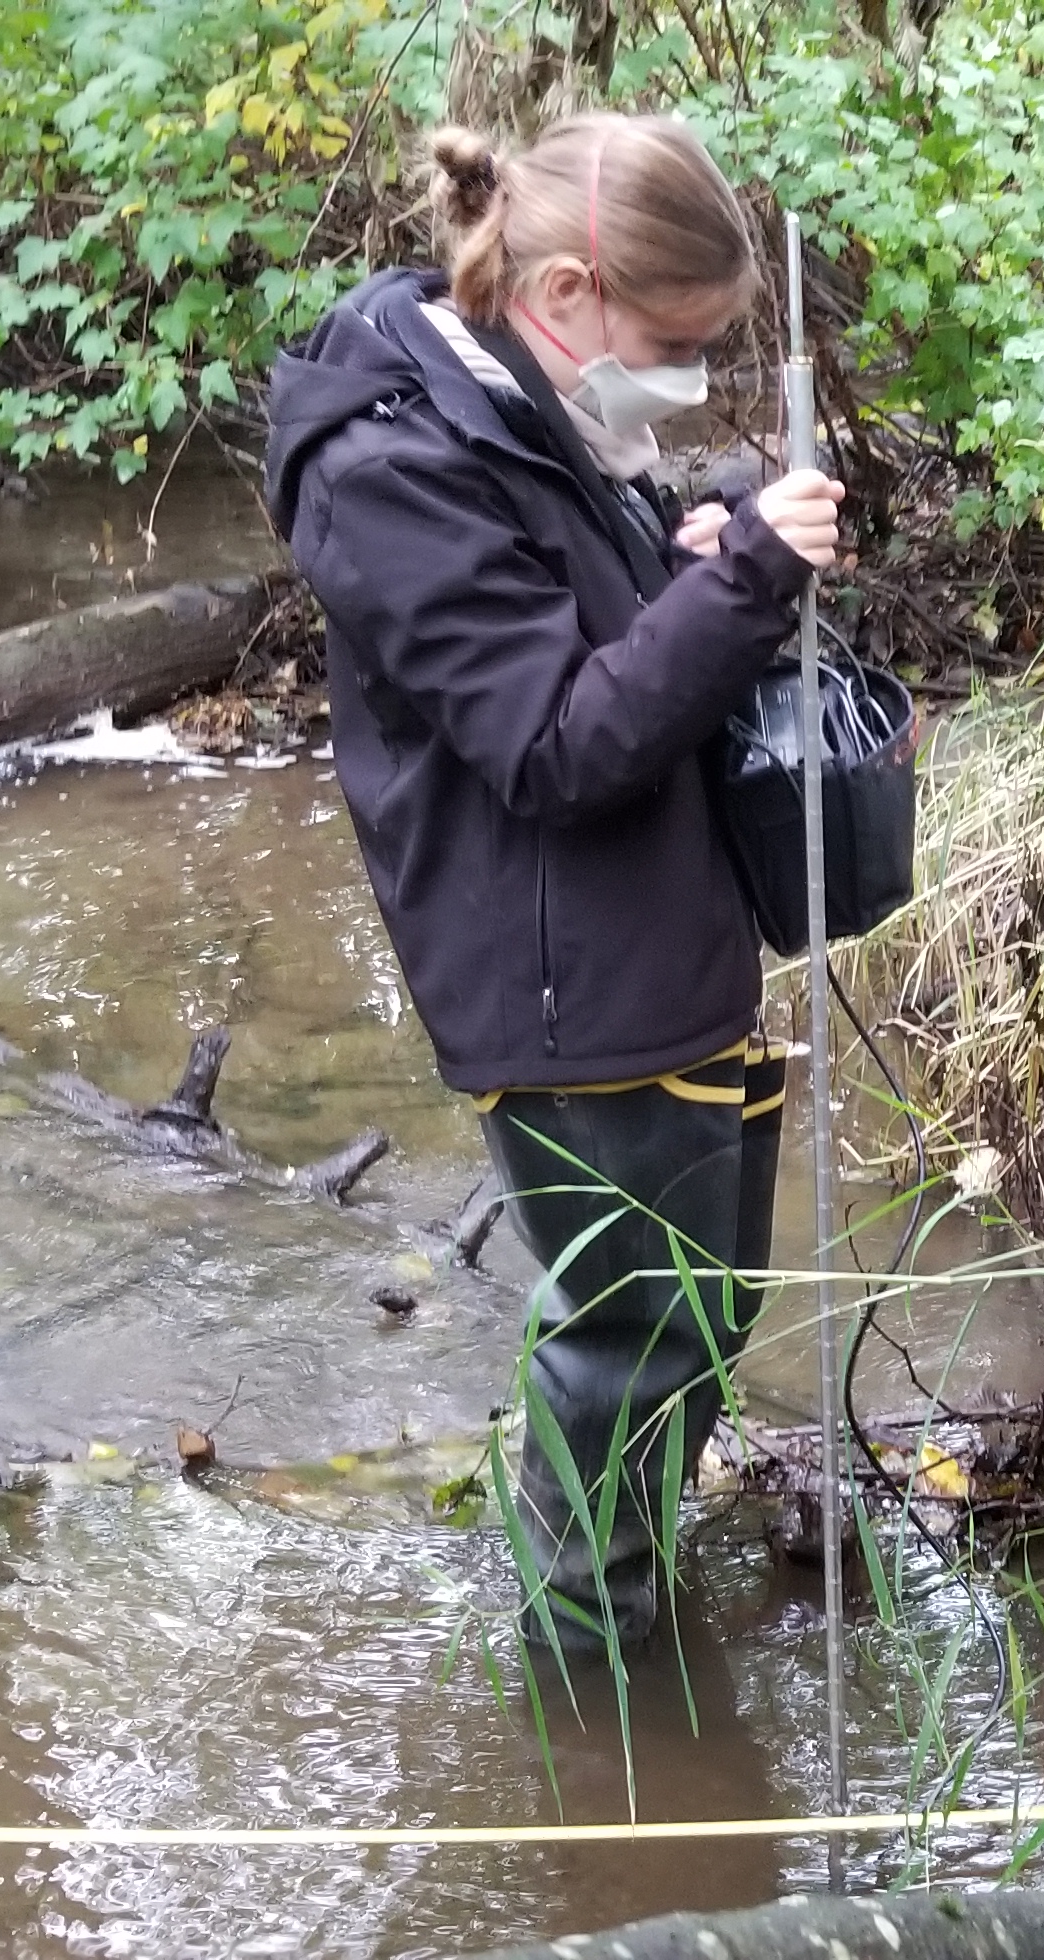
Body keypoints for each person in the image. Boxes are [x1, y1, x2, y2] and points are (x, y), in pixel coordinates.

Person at [262, 114, 845, 1652]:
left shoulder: (524, 391)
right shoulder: (392, 458)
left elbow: (591, 624)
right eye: (677, 344)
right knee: (627, 1347)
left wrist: (687, 555)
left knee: (698, 1328)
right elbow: (551, 743)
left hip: (667, 938)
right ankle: (606, 1734)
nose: (693, 380)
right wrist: (744, 586)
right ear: (574, 291)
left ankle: (629, 1598)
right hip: (564, 985)